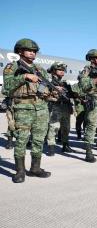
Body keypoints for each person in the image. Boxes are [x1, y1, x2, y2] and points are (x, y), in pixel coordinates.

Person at [3, 38, 51, 183]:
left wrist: (52, 92)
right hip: (23, 108)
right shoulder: (12, 67)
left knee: (38, 139)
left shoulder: (40, 70)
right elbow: (7, 87)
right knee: (22, 140)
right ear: (20, 51)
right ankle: (20, 171)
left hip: (41, 108)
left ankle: (35, 168)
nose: (32, 53)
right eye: (29, 50)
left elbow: (45, 88)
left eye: (34, 51)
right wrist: (24, 76)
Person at [46, 62, 74, 156]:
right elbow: (41, 92)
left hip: (65, 107)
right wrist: (52, 90)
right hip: (55, 106)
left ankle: (65, 145)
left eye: (63, 70)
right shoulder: (47, 82)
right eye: (60, 70)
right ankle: (51, 147)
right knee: (54, 127)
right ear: (53, 71)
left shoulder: (65, 83)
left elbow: (72, 94)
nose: (62, 72)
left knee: (66, 127)